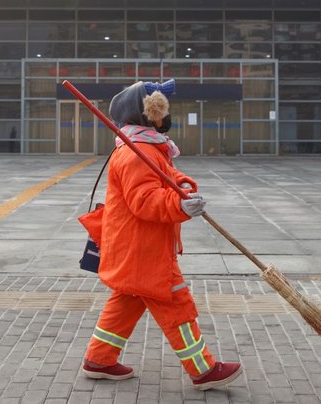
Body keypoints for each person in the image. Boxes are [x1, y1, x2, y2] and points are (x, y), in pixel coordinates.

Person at [81, 79, 243, 391]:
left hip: (136, 246)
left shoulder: (147, 147)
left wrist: (182, 186)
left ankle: (99, 359)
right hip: (144, 249)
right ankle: (203, 369)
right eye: (161, 110)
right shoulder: (135, 152)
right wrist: (180, 205)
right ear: (148, 114)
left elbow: (165, 177)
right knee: (174, 300)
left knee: (127, 300)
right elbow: (145, 200)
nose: (165, 116)